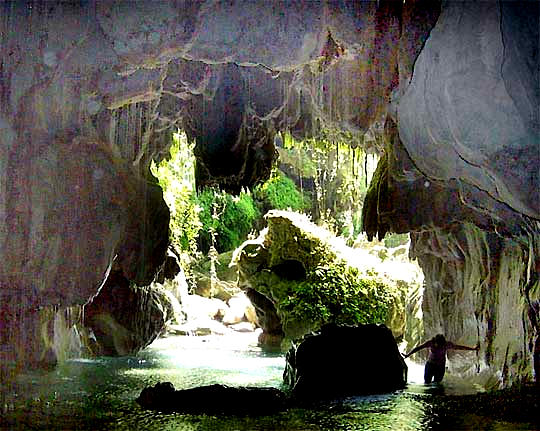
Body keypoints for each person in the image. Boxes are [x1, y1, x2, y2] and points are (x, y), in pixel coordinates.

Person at [403, 334, 479, 384]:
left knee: (437, 383)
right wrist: (408, 354)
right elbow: (418, 348)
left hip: (440, 366)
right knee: (427, 382)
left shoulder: (446, 344)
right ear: (435, 341)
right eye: (437, 344)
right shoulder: (431, 343)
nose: (438, 345)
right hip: (430, 365)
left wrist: (473, 349)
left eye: (440, 344)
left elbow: (459, 347)